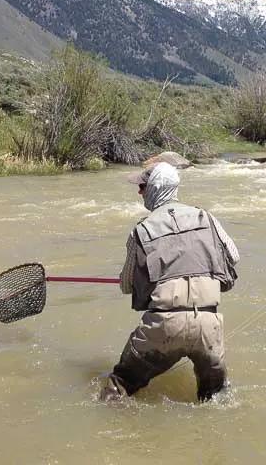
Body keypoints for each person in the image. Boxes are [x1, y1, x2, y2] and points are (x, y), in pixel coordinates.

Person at [99, 162, 240, 402]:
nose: (139, 192)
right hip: (208, 323)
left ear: (154, 189)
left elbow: (125, 286)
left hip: (163, 325)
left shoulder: (140, 230)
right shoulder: (207, 217)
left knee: (118, 387)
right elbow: (234, 257)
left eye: (142, 187)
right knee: (216, 399)